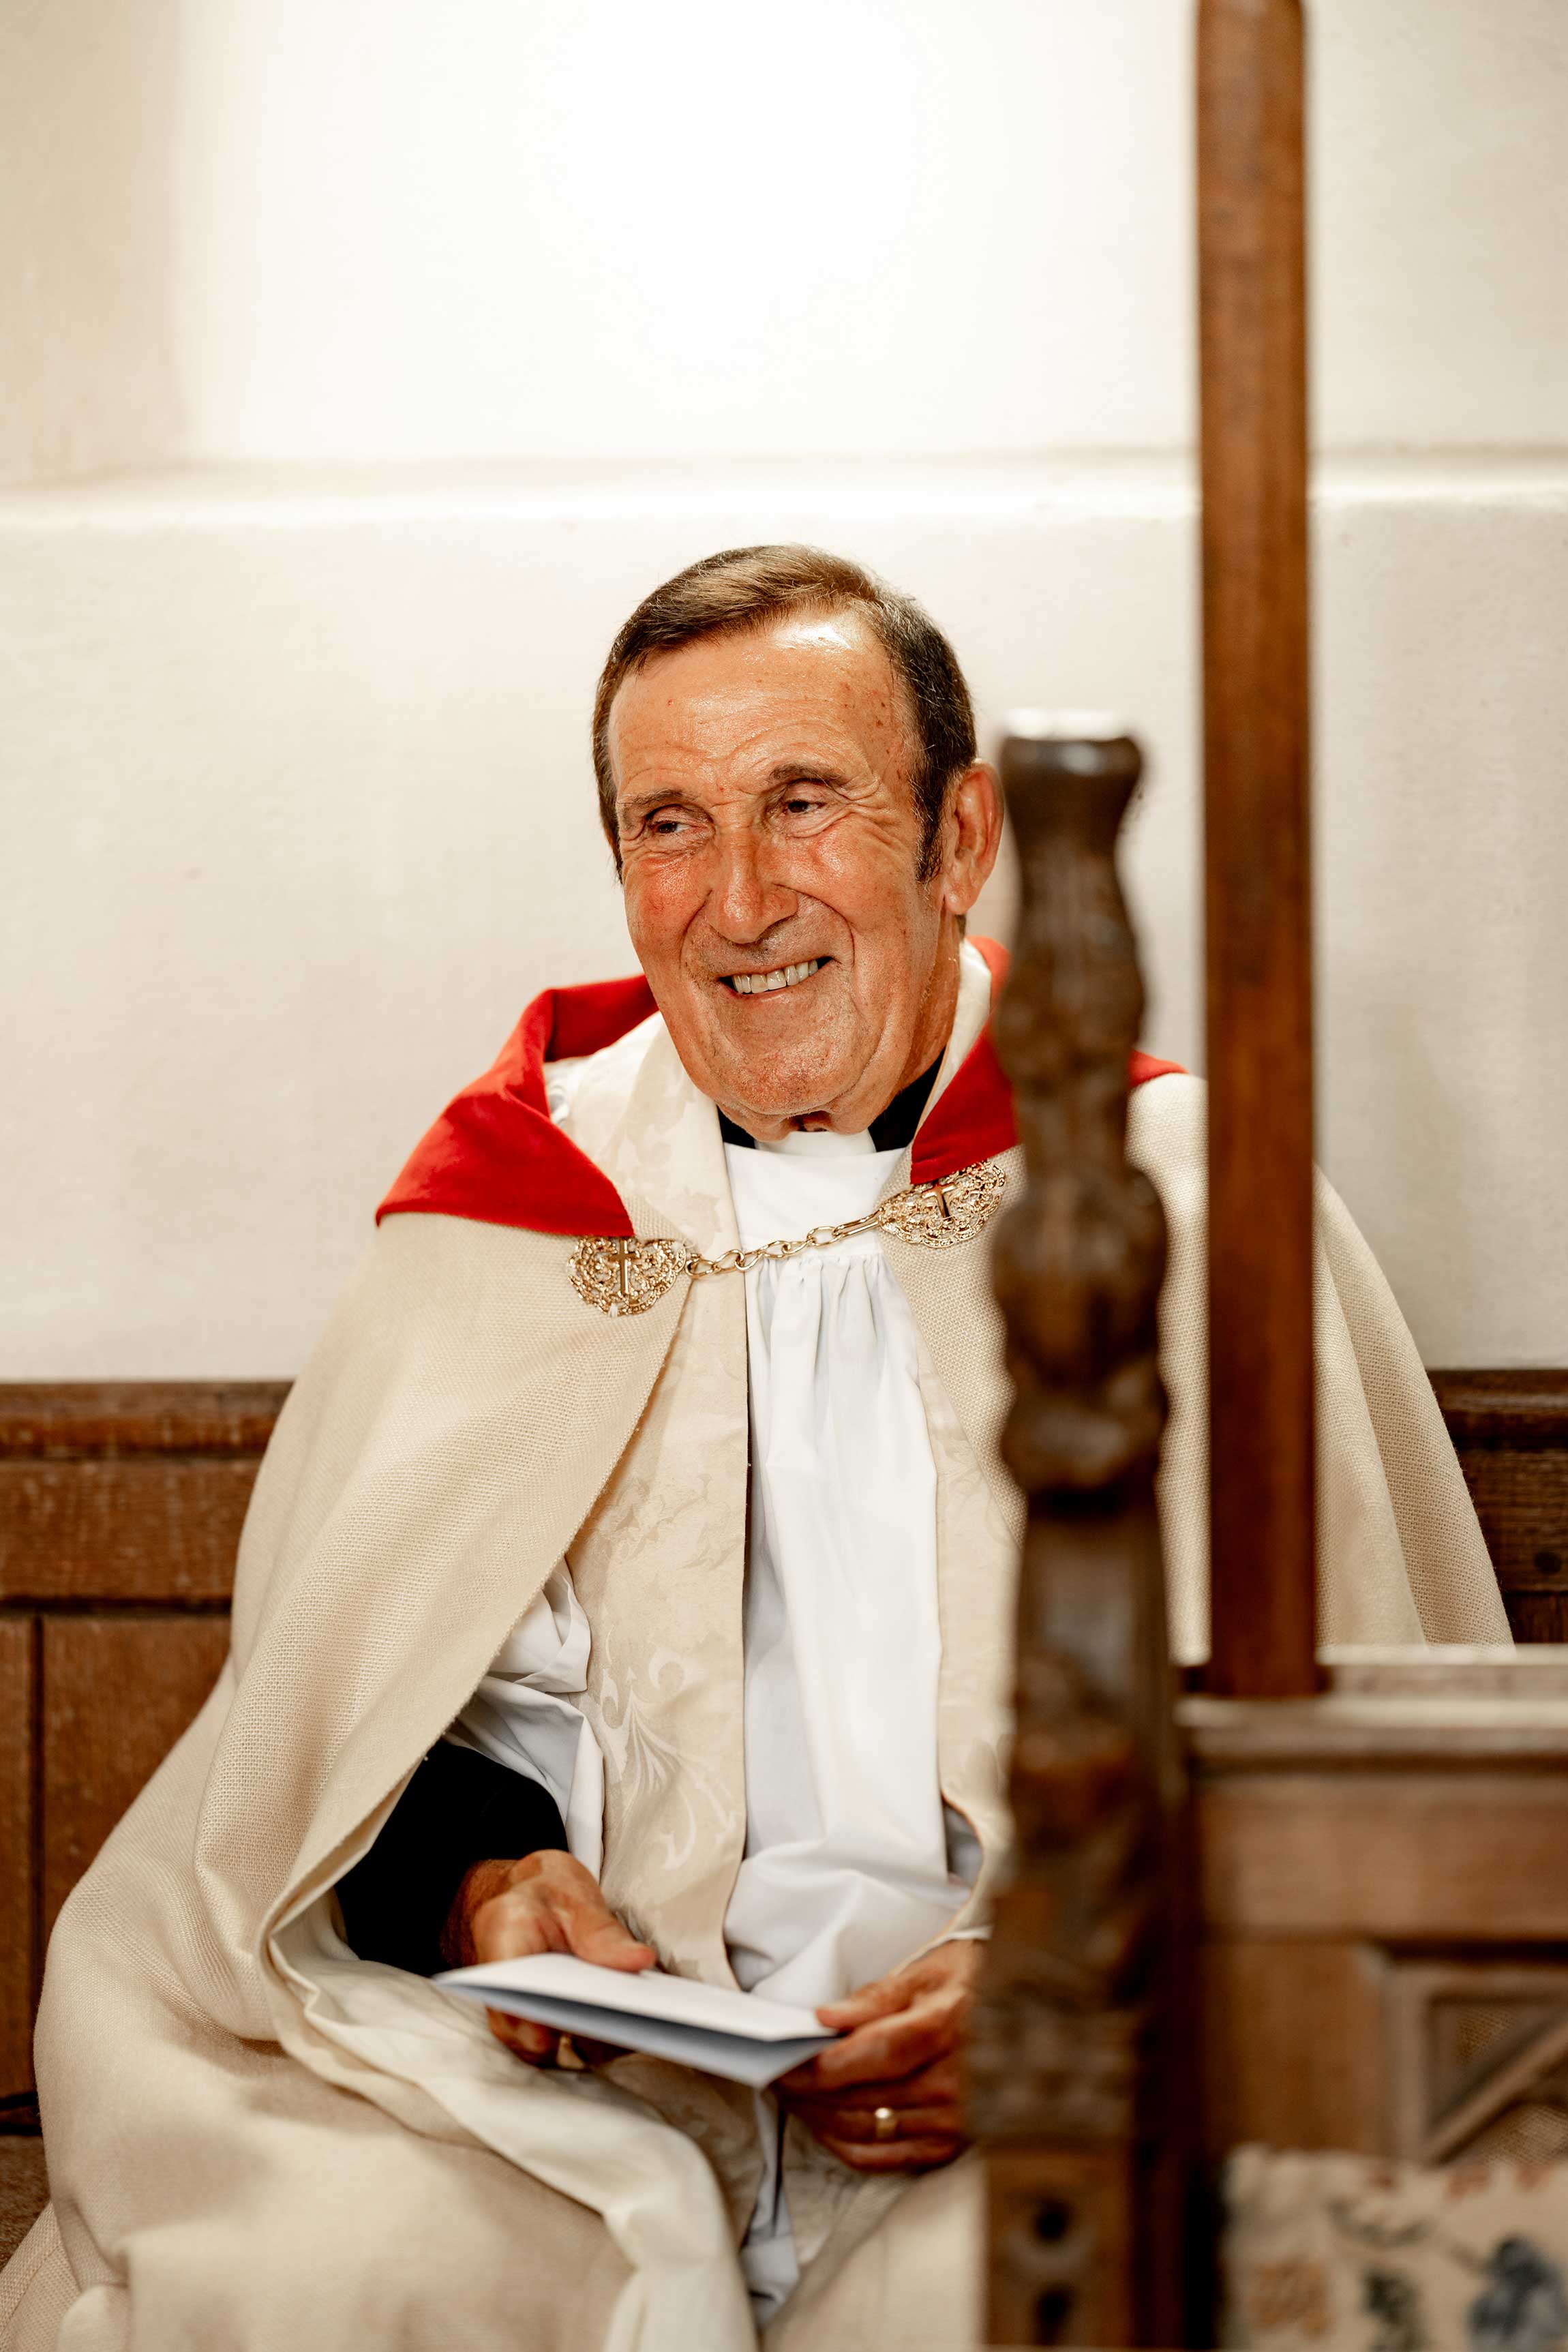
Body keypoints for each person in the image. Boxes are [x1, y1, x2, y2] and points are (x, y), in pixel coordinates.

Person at [0, 545, 1508, 2352]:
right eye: (670, 825)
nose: (735, 902)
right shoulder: (516, 1204)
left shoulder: (1174, 1201)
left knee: (1076, 2297)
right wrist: (482, 1887)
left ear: (959, 836)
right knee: (334, 2273)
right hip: (564, 2092)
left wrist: (1065, 1986)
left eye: (803, 805)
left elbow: (1352, 1765)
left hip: (1064, 2067)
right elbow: (344, 1731)